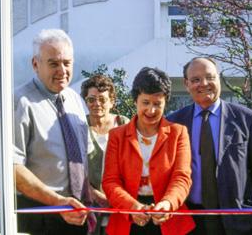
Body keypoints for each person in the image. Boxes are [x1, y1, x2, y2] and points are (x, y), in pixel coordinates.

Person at [167, 57, 252, 235]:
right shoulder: (173, 122)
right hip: (190, 220)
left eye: (210, 77)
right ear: (186, 84)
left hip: (238, 220)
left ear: (219, 78)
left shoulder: (247, 119)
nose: (204, 84)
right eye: (196, 80)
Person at [13, 29, 92, 235]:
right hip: (39, 214)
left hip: (75, 212)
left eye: (67, 63)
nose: (62, 70)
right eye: (54, 63)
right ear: (35, 64)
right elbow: (12, 169)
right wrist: (57, 201)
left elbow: (82, 157)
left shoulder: (74, 99)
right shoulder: (20, 102)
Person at [102, 67, 195, 235]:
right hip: (128, 216)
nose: (151, 110)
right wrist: (132, 206)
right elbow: (110, 181)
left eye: (157, 104)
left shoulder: (178, 132)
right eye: (145, 102)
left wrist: (168, 204)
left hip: (168, 216)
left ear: (166, 102)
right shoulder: (117, 135)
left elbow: (182, 177)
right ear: (135, 100)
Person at [80, 75, 129, 235]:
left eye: (102, 99)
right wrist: (92, 193)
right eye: (91, 99)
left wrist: (116, 197)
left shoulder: (124, 125)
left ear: (112, 101)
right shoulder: (80, 128)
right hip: (90, 205)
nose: (97, 104)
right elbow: (71, 166)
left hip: (121, 204)